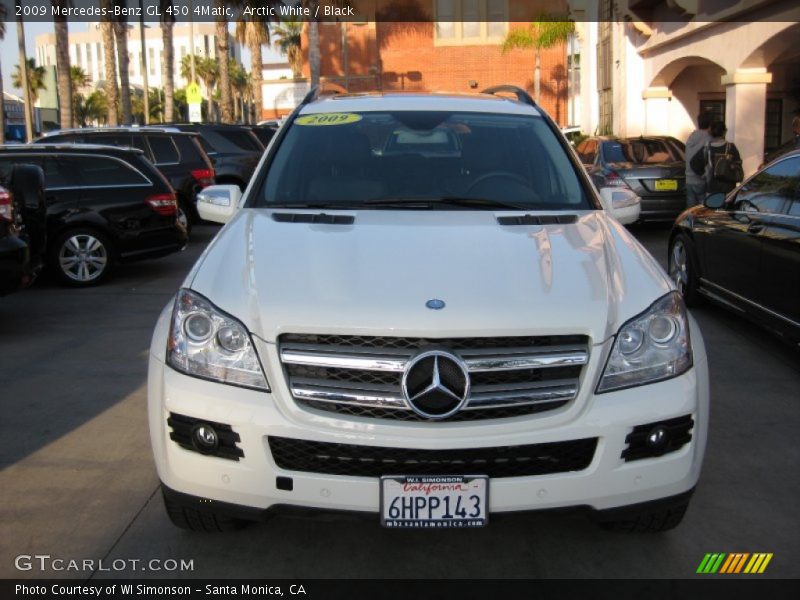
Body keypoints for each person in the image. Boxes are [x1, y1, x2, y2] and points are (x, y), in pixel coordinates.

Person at [689, 120, 743, 195]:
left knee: (711, 205)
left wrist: (703, 174)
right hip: (729, 188)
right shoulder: (731, 147)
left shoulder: (707, 148)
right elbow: (738, 165)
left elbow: (693, 163)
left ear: (710, 132)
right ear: (725, 132)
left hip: (712, 188)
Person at [684, 111, 712, 207]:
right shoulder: (709, 139)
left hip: (689, 179)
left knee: (690, 209)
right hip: (701, 178)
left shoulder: (690, 138)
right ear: (710, 124)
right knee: (703, 208)